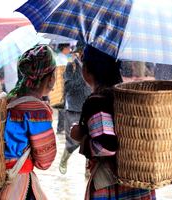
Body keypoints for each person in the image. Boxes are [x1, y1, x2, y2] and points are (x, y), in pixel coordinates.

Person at [71, 45, 156, 200]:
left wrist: (81, 136)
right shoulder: (128, 95)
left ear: (88, 70)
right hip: (139, 181)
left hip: (112, 186)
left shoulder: (97, 102)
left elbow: (106, 146)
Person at [0, 45, 57, 199]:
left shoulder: (7, 100)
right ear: (51, 78)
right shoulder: (37, 110)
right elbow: (45, 162)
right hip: (17, 183)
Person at [59, 44, 91, 176]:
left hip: (89, 106)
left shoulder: (91, 67)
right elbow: (68, 87)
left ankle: (88, 170)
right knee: (73, 140)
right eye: (80, 53)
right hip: (73, 108)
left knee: (90, 139)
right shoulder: (70, 66)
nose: (81, 56)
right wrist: (80, 75)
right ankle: (64, 158)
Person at [55, 43, 72, 135]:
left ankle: (62, 127)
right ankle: (60, 128)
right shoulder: (60, 59)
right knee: (62, 107)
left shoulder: (63, 57)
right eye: (69, 48)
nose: (70, 49)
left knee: (64, 107)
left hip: (63, 85)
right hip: (62, 86)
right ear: (64, 48)